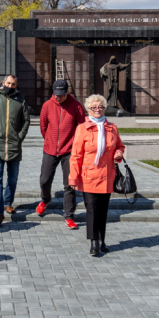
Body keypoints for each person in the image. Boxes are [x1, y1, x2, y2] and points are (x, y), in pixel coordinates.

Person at [68, 95, 125, 256]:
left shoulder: (112, 127)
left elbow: (119, 146)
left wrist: (118, 153)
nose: (97, 110)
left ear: (104, 108)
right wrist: (73, 177)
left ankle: (102, 239)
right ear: (88, 109)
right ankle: (94, 241)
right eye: (94, 107)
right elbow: (76, 156)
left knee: (103, 210)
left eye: (100, 107)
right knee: (92, 210)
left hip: (107, 175)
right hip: (89, 176)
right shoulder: (82, 128)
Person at [0, 74, 30, 226]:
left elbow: (26, 120)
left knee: (13, 179)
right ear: (3, 83)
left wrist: (19, 137)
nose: (10, 86)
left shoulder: (20, 99)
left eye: (13, 84)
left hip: (14, 146)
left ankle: (8, 202)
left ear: (16, 85)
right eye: (8, 83)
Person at [37, 79, 86, 229]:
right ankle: (45, 200)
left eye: (61, 95)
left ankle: (69, 216)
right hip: (50, 150)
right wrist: (50, 141)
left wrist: (74, 145)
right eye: (56, 94)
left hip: (69, 151)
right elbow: (43, 126)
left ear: (67, 92)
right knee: (44, 180)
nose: (58, 97)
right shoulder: (47, 105)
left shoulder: (76, 106)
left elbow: (81, 127)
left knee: (69, 184)